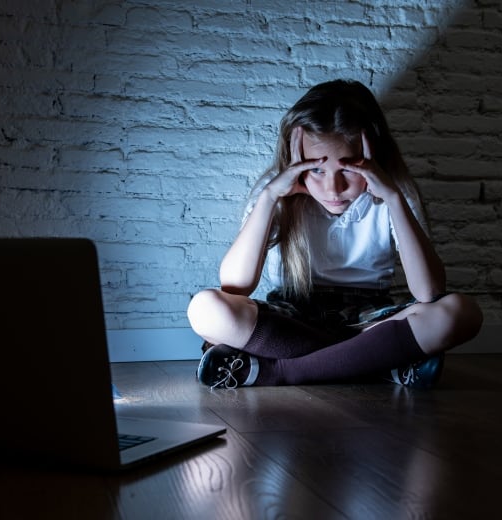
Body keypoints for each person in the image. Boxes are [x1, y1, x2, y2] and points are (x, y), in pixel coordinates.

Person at [187, 79, 483, 390]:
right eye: (316, 170)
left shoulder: (393, 194)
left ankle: (277, 371)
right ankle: (374, 362)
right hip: (294, 318)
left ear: (373, 157)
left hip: (368, 321)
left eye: (349, 169)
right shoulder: (275, 193)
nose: (333, 188)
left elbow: (428, 292)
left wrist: (393, 198)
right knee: (205, 309)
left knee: (462, 314)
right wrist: (271, 196)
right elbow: (236, 286)